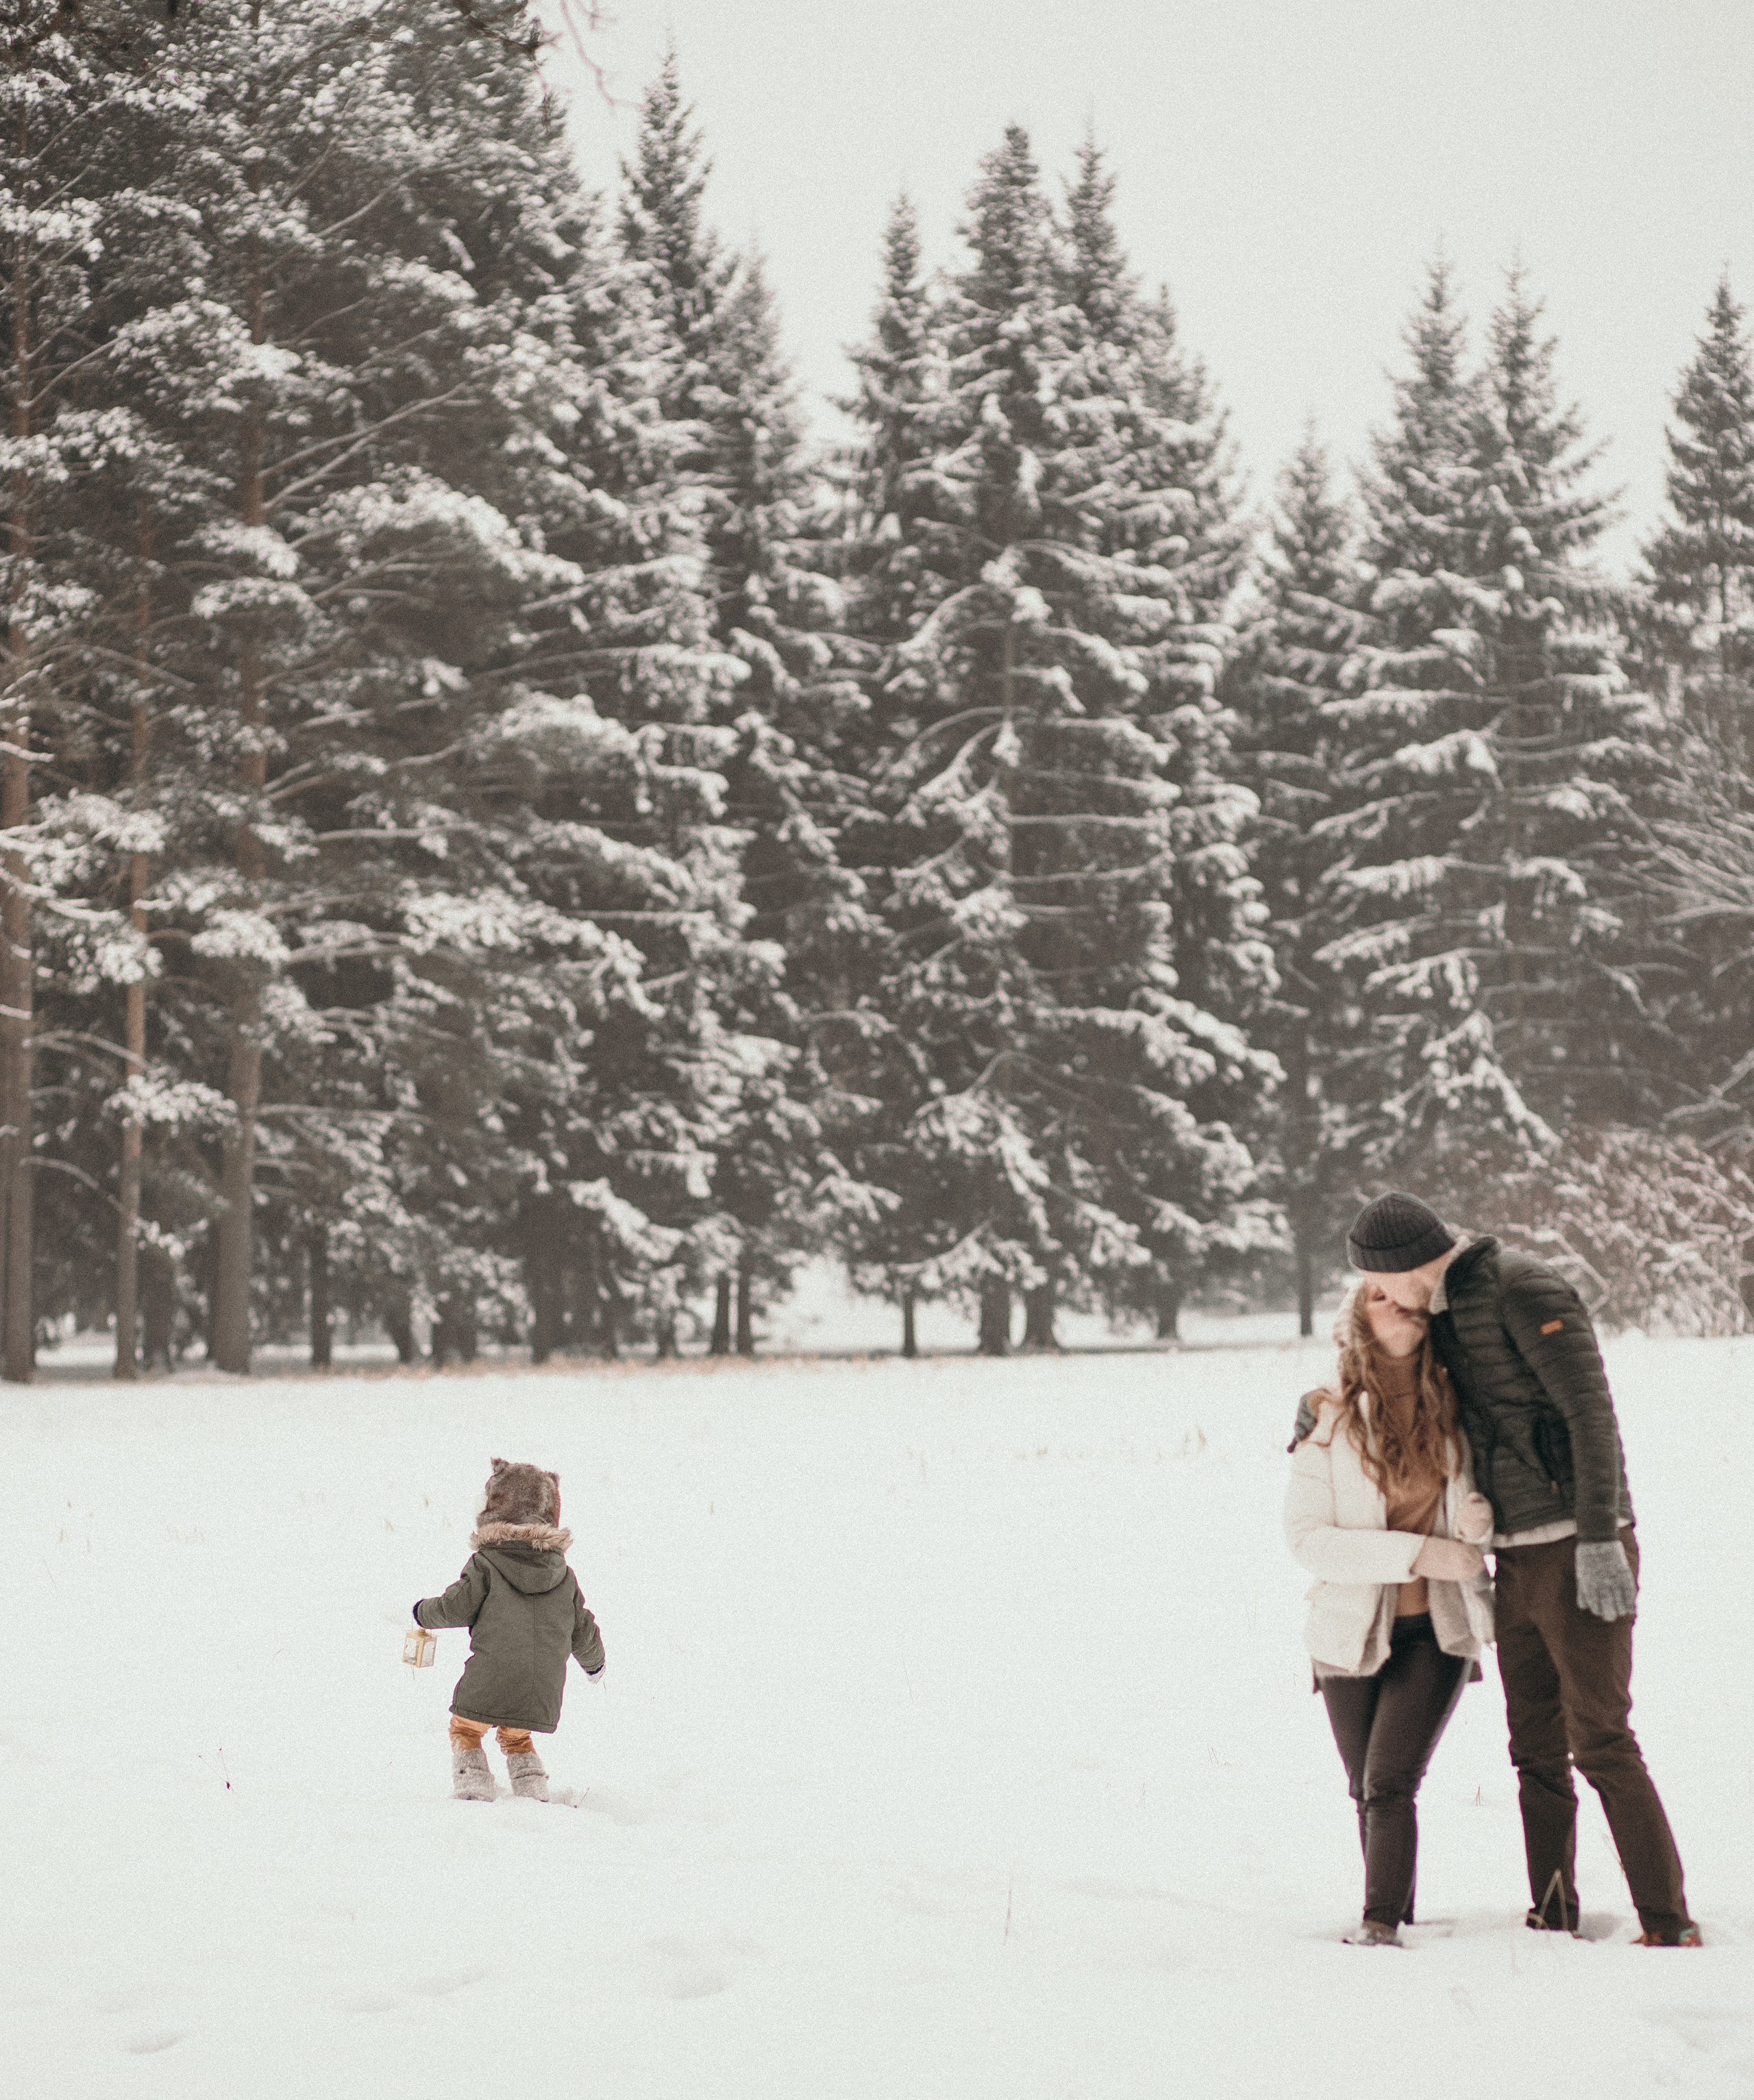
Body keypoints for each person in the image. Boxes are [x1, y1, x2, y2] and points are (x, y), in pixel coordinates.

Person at [1344, 1192, 1699, 1948]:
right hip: (1514, 1554)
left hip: (1579, 1545)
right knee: (1532, 1746)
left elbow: (1590, 1412)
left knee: (1600, 1738)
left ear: (1405, 1267)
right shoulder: (1440, 1314)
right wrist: (1319, 1411)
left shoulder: (1519, 1284)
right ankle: (1554, 1910)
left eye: (1379, 1281)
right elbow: (1390, 1377)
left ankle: (1667, 1924)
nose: (1379, 1297)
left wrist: (1602, 1536)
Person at [1285, 1282, 1496, 1946]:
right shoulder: (1328, 1418)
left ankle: (1378, 1925)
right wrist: (1419, 1551)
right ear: (1358, 1318)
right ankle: (1392, 1911)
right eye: (1378, 1295)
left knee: (1389, 1778)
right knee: (1365, 1786)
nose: (1398, 1302)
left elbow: (1483, 1519)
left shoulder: (1462, 1406)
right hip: (1348, 1629)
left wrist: (1477, 1524)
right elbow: (1308, 1539)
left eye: (1407, 1293)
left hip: (1436, 1629)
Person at [414, 1457, 606, 1803]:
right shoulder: (563, 1575)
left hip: (490, 1676)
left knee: (465, 1728)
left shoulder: (486, 1564)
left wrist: (421, 1613)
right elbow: (583, 1626)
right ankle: (532, 1789)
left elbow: (454, 1606)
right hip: (540, 1687)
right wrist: (595, 1665)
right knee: (517, 1736)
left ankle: (473, 1785)